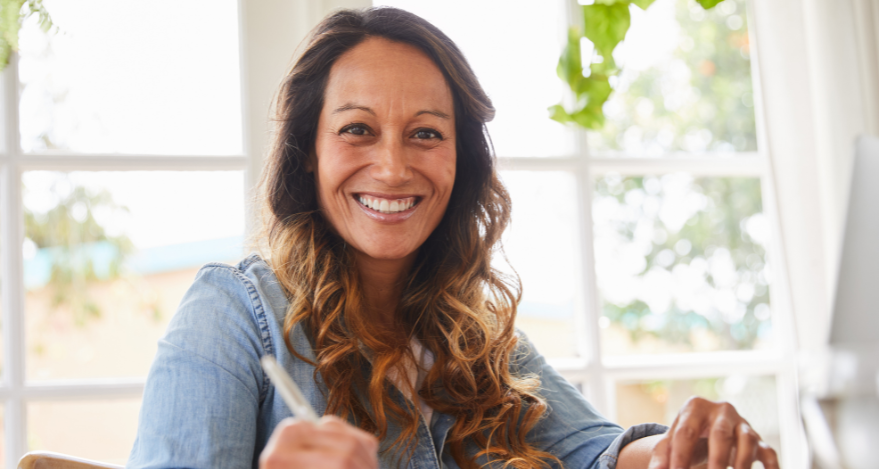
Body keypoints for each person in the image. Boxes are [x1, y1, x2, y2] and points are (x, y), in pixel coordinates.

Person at [127, 7, 779, 469]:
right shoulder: (233, 314)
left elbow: (596, 453)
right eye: (356, 129)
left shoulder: (481, 338)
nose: (391, 166)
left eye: (426, 133)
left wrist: (684, 446)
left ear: (459, 160)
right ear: (307, 152)